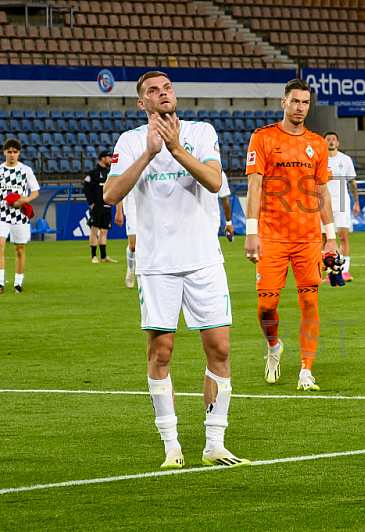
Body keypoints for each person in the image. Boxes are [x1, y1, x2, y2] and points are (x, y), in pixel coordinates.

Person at [103, 71, 249, 469]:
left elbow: (215, 181)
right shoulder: (131, 142)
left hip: (204, 260)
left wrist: (175, 148)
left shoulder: (201, 132)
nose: (162, 94)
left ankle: (214, 444)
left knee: (219, 349)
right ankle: (171, 446)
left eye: (166, 88)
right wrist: (150, 153)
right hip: (156, 265)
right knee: (160, 352)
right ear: (141, 103)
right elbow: (110, 194)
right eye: (153, 91)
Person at [244, 78, 339, 392]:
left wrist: (331, 235)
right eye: (295, 101)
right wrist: (251, 231)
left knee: (310, 303)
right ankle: (274, 346)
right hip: (271, 236)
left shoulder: (318, 144)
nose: (300, 108)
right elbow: (254, 185)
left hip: (308, 238)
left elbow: (322, 190)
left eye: (306, 102)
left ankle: (305, 370)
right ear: (283, 102)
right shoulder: (263, 138)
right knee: (266, 307)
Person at [0, 138, 39, 294]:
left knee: (19, 249)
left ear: (19, 153)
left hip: (20, 215)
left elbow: (35, 191)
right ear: (4, 152)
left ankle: (18, 283)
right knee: (0, 246)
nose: (12, 155)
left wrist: (25, 199)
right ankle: (1, 283)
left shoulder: (25, 170)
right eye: (9, 152)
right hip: (2, 213)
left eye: (15, 152)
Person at [321, 131, 360, 282]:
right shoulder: (320, 159)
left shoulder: (346, 160)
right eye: (328, 139)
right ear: (324, 142)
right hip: (324, 203)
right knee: (325, 238)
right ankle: (329, 272)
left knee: (343, 236)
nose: (331, 141)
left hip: (342, 201)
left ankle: (344, 271)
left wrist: (356, 202)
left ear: (337, 143)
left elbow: (352, 182)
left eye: (333, 139)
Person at [83, 150, 117, 263]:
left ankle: (103, 256)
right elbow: (86, 188)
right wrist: (91, 203)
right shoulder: (93, 173)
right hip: (97, 205)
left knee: (104, 231)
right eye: (109, 157)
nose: (111, 159)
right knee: (94, 230)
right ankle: (94, 256)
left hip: (106, 205)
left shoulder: (109, 172)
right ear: (103, 158)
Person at [113, 192, 137, 288]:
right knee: (133, 246)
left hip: (147, 202)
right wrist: (119, 211)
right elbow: (120, 185)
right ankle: (131, 269)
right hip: (131, 203)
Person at [216, 170, 235, 242]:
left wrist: (229, 223)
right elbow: (224, 201)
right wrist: (229, 223)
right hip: (210, 222)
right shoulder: (219, 172)